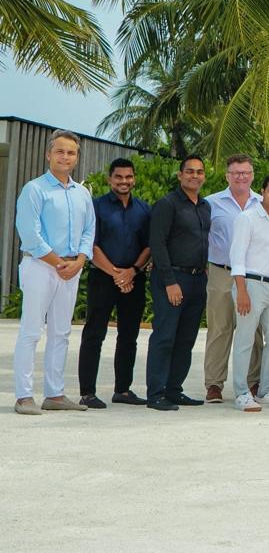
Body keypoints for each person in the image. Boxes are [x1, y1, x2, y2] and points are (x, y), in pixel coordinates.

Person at [12, 130, 95, 414]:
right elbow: (30, 234)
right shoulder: (34, 189)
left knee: (61, 332)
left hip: (71, 269)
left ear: (76, 157)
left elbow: (89, 230)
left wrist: (81, 260)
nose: (65, 157)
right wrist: (58, 262)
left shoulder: (83, 193)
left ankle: (55, 395)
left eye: (71, 153)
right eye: (60, 151)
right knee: (31, 331)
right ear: (48, 154)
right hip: (40, 266)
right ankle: (24, 396)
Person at [78, 156, 150, 408]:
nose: (124, 181)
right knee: (94, 334)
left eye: (128, 177)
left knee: (129, 336)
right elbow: (91, 244)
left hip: (134, 280)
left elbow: (149, 246)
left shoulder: (144, 209)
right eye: (118, 177)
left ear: (134, 179)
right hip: (103, 278)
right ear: (110, 179)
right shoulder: (96, 207)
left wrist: (131, 272)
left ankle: (123, 390)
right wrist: (116, 274)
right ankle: (87, 392)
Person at [146, 155, 211, 410]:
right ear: (180, 175)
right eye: (190, 171)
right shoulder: (167, 204)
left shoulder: (205, 206)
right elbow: (158, 244)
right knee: (165, 337)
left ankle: (174, 389)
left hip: (197, 280)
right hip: (172, 279)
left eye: (199, 172)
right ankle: (156, 393)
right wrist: (170, 282)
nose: (195, 176)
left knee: (186, 339)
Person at [226, 173, 269, 411]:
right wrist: (241, 290)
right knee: (245, 339)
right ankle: (242, 392)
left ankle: (265, 390)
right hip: (251, 285)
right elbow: (237, 256)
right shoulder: (248, 218)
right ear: (262, 191)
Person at [202, 154, 261, 403]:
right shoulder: (211, 203)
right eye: (236, 173)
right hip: (221, 272)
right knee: (220, 329)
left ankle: (253, 382)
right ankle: (214, 384)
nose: (241, 177)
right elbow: (201, 236)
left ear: (252, 175)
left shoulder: (263, 203)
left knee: (254, 331)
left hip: (254, 275)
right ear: (227, 175)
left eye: (245, 173)